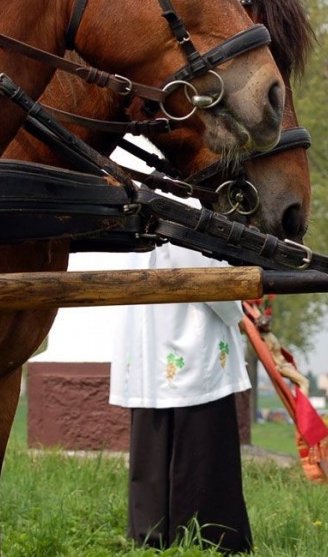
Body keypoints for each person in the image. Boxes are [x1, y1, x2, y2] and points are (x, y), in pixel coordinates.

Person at [109, 233, 253, 553]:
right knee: (201, 444)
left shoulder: (144, 193)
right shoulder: (185, 201)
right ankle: (208, 536)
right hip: (189, 333)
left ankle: (152, 533)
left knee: (153, 443)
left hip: (150, 337)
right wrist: (239, 312)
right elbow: (204, 273)